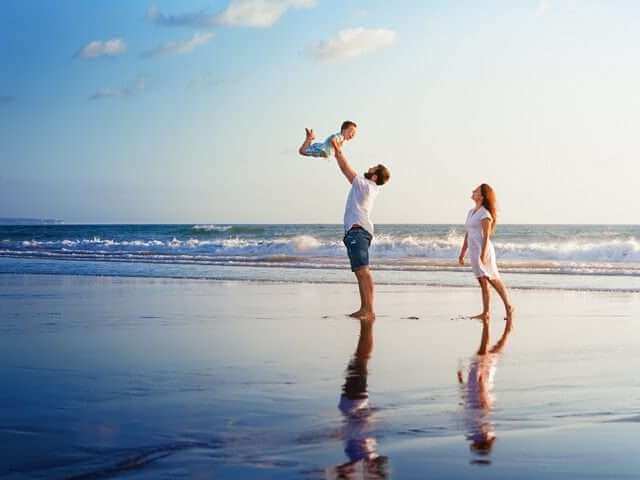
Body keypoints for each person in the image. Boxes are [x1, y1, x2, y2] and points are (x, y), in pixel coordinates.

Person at [330, 142, 390, 320]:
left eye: (373, 167)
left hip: (358, 232)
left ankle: (369, 310)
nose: (369, 167)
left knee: (363, 271)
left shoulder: (365, 185)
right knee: (359, 271)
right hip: (355, 232)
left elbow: (345, 168)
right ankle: (364, 308)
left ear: (374, 175)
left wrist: (337, 149)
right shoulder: (367, 186)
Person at [457, 313, 512, 461]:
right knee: (489, 354)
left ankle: (505, 333)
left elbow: (468, 401)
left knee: (488, 354)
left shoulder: (478, 430)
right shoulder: (482, 430)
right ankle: (506, 332)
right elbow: (478, 402)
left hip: (478, 386)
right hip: (480, 386)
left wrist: (464, 383)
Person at [458, 184, 514, 323]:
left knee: (493, 279)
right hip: (473, 250)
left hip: (484, 250)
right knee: (482, 281)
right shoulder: (471, 212)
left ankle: (508, 306)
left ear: (482, 196)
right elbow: (468, 233)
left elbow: (486, 236)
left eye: (476, 191)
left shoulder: (485, 214)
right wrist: (462, 252)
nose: (472, 191)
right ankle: (486, 312)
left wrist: (483, 254)